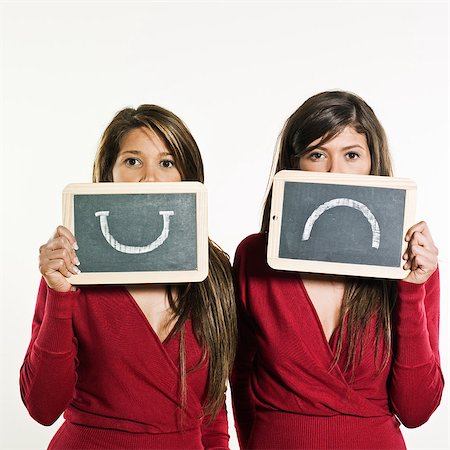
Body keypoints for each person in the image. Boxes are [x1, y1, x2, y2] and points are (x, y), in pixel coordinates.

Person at [230, 91, 443, 449]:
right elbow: (240, 376)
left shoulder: (414, 265)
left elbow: (416, 410)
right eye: (317, 155)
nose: (335, 171)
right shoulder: (255, 256)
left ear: (372, 163)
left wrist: (410, 288)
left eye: (352, 155)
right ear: (295, 165)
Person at [20, 105, 237, 449]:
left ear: (188, 176)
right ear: (109, 174)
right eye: (133, 161)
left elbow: (211, 410)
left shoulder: (215, 271)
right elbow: (42, 406)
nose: (150, 178)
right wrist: (60, 295)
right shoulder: (72, 266)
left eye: (167, 163)